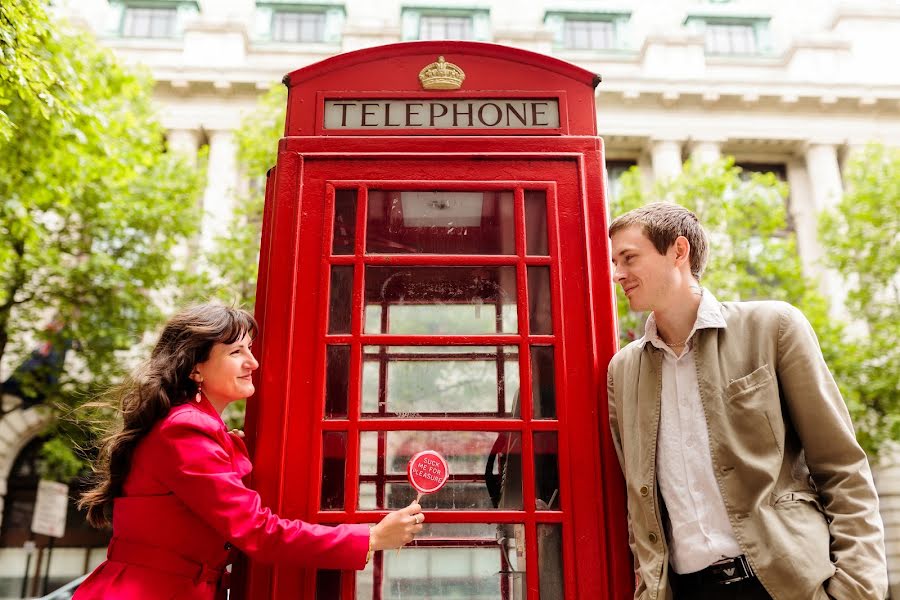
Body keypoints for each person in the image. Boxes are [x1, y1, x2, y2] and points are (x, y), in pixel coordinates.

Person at [606, 202, 886, 600]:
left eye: (629, 258)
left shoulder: (773, 327)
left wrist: (856, 588)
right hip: (688, 589)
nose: (618, 274)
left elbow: (841, 466)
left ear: (678, 252)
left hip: (788, 583)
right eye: (615, 262)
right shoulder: (623, 371)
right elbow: (635, 502)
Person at [75, 304, 424, 599]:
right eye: (236, 352)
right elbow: (257, 530)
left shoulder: (192, 428)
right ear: (196, 367)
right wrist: (371, 537)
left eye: (250, 349)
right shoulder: (184, 430)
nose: (253, 363)